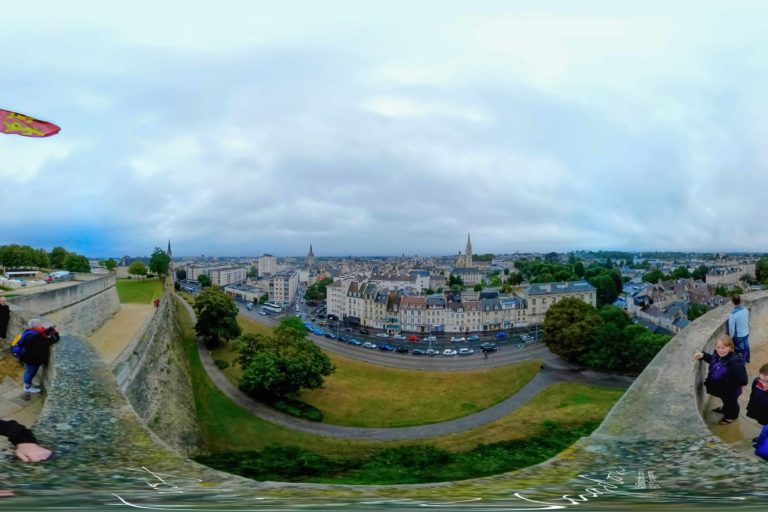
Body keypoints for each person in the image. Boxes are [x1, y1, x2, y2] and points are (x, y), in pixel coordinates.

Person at [693, 334, 748, 425]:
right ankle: (725, 409)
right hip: (723, 390)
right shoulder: (717, 354)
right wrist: (703, 355)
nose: (720, 350)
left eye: (723, 348)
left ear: (730, 347)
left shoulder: (735, 362)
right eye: (718, 347)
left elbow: (743, 381)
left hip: (731, 391)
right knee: (726, 401)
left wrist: (724, 380)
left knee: (732, 403)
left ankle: (731, 416)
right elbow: (714, 361)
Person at [19, 319, 60, 394]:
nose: (42, 326)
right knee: (30, 372)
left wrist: (51, 329)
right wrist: (56, 332)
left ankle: (28, 383)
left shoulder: (30, 332)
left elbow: (42, 334)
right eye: (40, 324)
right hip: (32, 359)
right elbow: (51, 341)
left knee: (29, 371)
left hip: (27, 357)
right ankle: (27, 387)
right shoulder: (36, 336)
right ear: (36, 326)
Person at [727, 295, 750, 363]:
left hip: (739, 335)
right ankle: (747, 359)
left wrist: (730, 337)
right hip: (746, 332)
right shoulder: (746, 310)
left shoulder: (733, 314)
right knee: (746, 346)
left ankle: (742, 364)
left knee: (740, 351)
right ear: (740, 301)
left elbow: (731, 329)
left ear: (732, 302)